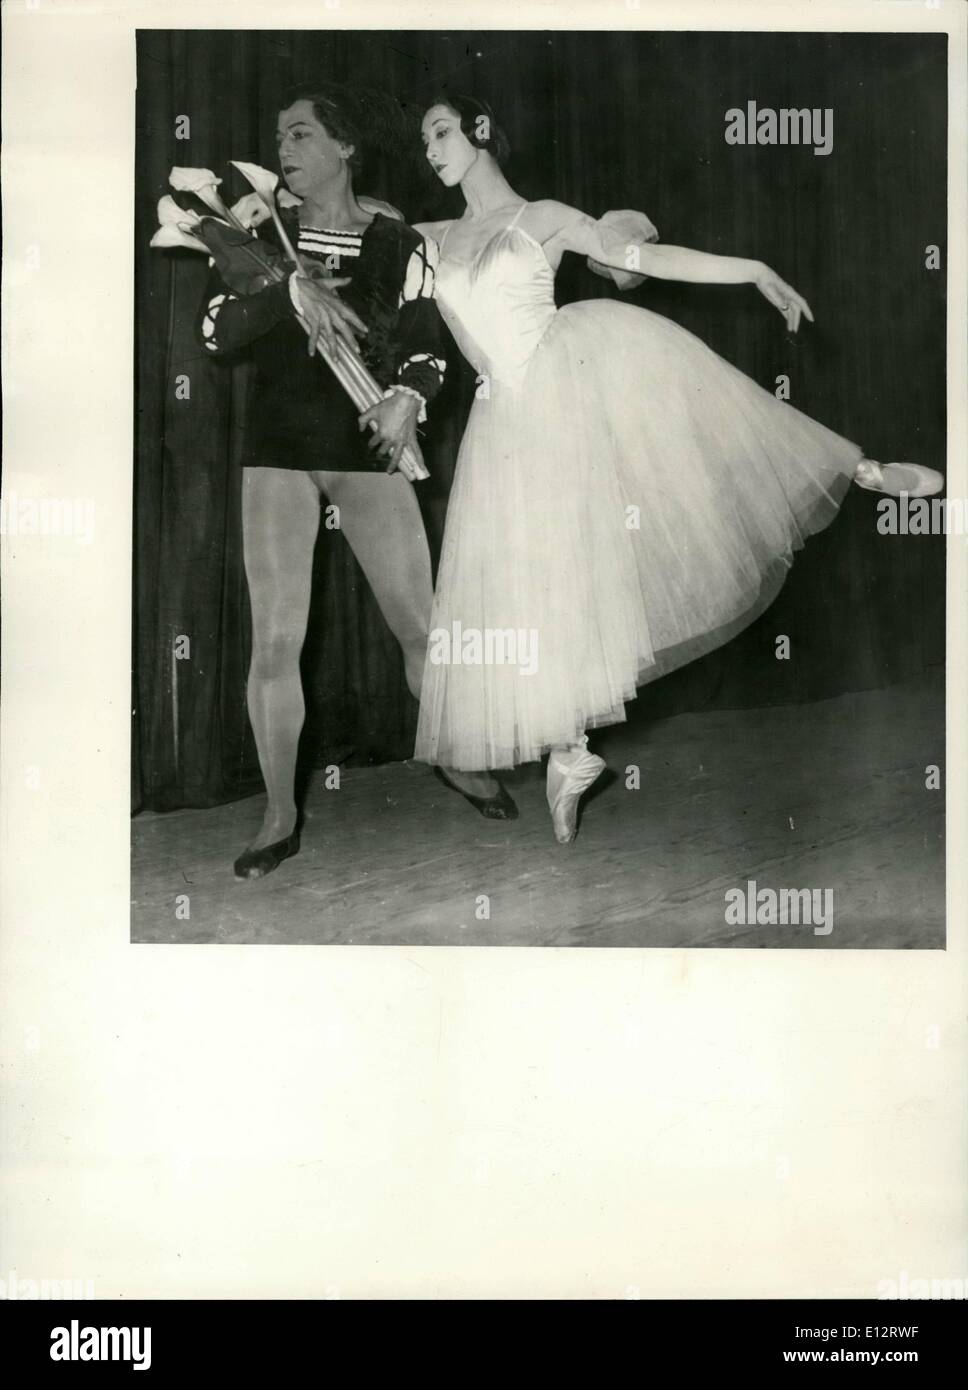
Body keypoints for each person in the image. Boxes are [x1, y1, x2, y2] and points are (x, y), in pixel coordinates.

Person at [411, 95, 944, 844]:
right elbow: (334, 238)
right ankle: (570, 750)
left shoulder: (546, 218)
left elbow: (648, 259)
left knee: (707, 421)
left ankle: (858, 468)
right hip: (501, 424)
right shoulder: (426, 238)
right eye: (422, 140)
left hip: (568, 387)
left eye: (439, 132)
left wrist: (753, 267)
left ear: (479, 133)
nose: (428, 150)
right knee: (537, 583)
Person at [198, 84, 516, 881]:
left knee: (423, 631)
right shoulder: (256, 237)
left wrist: (410, 397)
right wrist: (284, 289)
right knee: (276, 640)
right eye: (278, 136)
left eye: (300, 133)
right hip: (276, 453)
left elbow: (426, 339)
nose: (283, 148)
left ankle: (454, 757)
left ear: (345, 148)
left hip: (367, 445)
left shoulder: (398, 241)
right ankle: (279, 813)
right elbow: (215, 333)